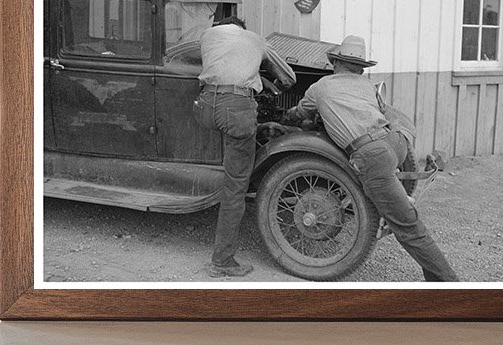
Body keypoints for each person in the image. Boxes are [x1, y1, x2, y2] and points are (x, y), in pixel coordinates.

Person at [284, 35, 459, 282]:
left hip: (372, 154)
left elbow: (301, 113)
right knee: (392, 193)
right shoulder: (367, 86)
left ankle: (450, 285)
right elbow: (380, 111)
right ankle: (395, 196)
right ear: (360, 68)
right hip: (394, 143)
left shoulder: (320, 86)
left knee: (408, 226)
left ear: (336, 64)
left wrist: (287, 117)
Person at [192, 15, 267, 278]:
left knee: (226, 133)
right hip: (235, 110)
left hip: (205, 108)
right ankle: (222, 261)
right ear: (242, 29)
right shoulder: (254, 40)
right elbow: (287, 76)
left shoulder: (207, 36)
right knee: (235, 188)